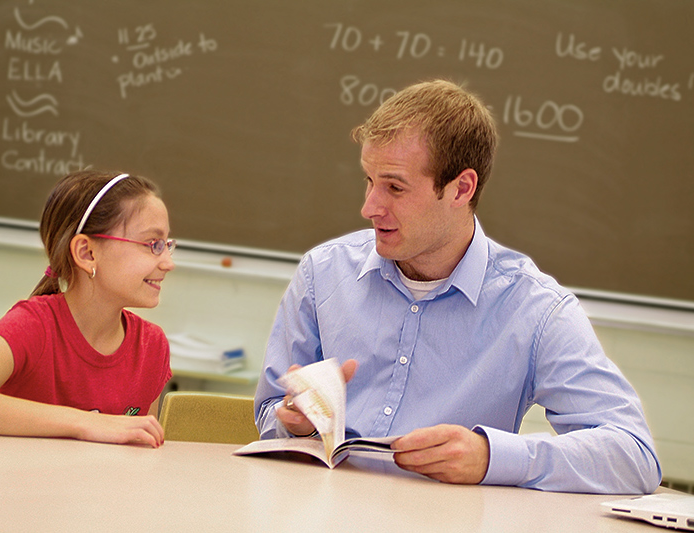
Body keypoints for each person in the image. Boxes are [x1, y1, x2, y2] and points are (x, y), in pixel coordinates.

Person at [255, 80, 662, 493]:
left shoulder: (534, 310)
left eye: (394, 187)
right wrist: (293, 421)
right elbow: (271, 409)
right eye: (368, 180)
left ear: (461, 189)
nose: (369, 207)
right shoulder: (323, 273)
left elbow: (634, 454)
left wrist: (491, 457)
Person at [0, 170, 175, 448]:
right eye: (153, 244)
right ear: (87, 253)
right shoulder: (33, 326)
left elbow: (141, 453)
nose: (168, 263)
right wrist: (85, 423)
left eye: (166, 245)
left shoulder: (152, 346)